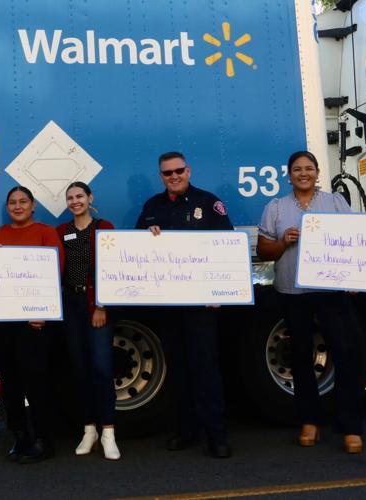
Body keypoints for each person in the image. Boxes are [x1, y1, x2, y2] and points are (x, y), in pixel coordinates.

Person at [256, 150, 365, 454]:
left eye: (309, 168)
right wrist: (282, 242)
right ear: (288, 175)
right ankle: (310, 422)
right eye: (297, 169)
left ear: (317, 172)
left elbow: (353, 242)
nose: (303, 173)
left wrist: (354, 277)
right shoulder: (276, 207)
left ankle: (351, 427)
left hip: (330, 292)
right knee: (301, 359)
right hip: (292, 293)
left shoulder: (335, 203)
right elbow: (264, 250)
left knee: (345, 356)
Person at [135, 151, 233, 459]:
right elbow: (136, 251)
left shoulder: (208, 203)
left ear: (188, 171)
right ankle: (185, 431)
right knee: (177, 371)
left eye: (178, 170)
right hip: (168, 306)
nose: (174, 176)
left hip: (201, 307)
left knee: (206, 370)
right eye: (167, 173)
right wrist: (147, 239)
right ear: (161, 176)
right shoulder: (152, 207)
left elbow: (226, 248)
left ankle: (216, 436)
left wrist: (221, 291)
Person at [0, 186, 65, 464]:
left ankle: (44, 439)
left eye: (23, 202)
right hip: (0, 321)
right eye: (12, 202)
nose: (17, 206)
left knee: (36, 379)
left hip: (33, 321)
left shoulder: (45, 232)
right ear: (7, 207)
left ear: (33, 205)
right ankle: (19, 436)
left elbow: (55, 273)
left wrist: (42, 311)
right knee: (11, 382)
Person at [55, 182, 119, 460]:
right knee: (79, 370)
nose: (75, 201)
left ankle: (109, 433)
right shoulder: (62, 231)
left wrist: (101, 306)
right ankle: (89, 430)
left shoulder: (104, 228)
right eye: (70, 198)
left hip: (97, 306)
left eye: (79, 196)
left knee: (102, 369)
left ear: (90, 198)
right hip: (71, 306)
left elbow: (110, 268)